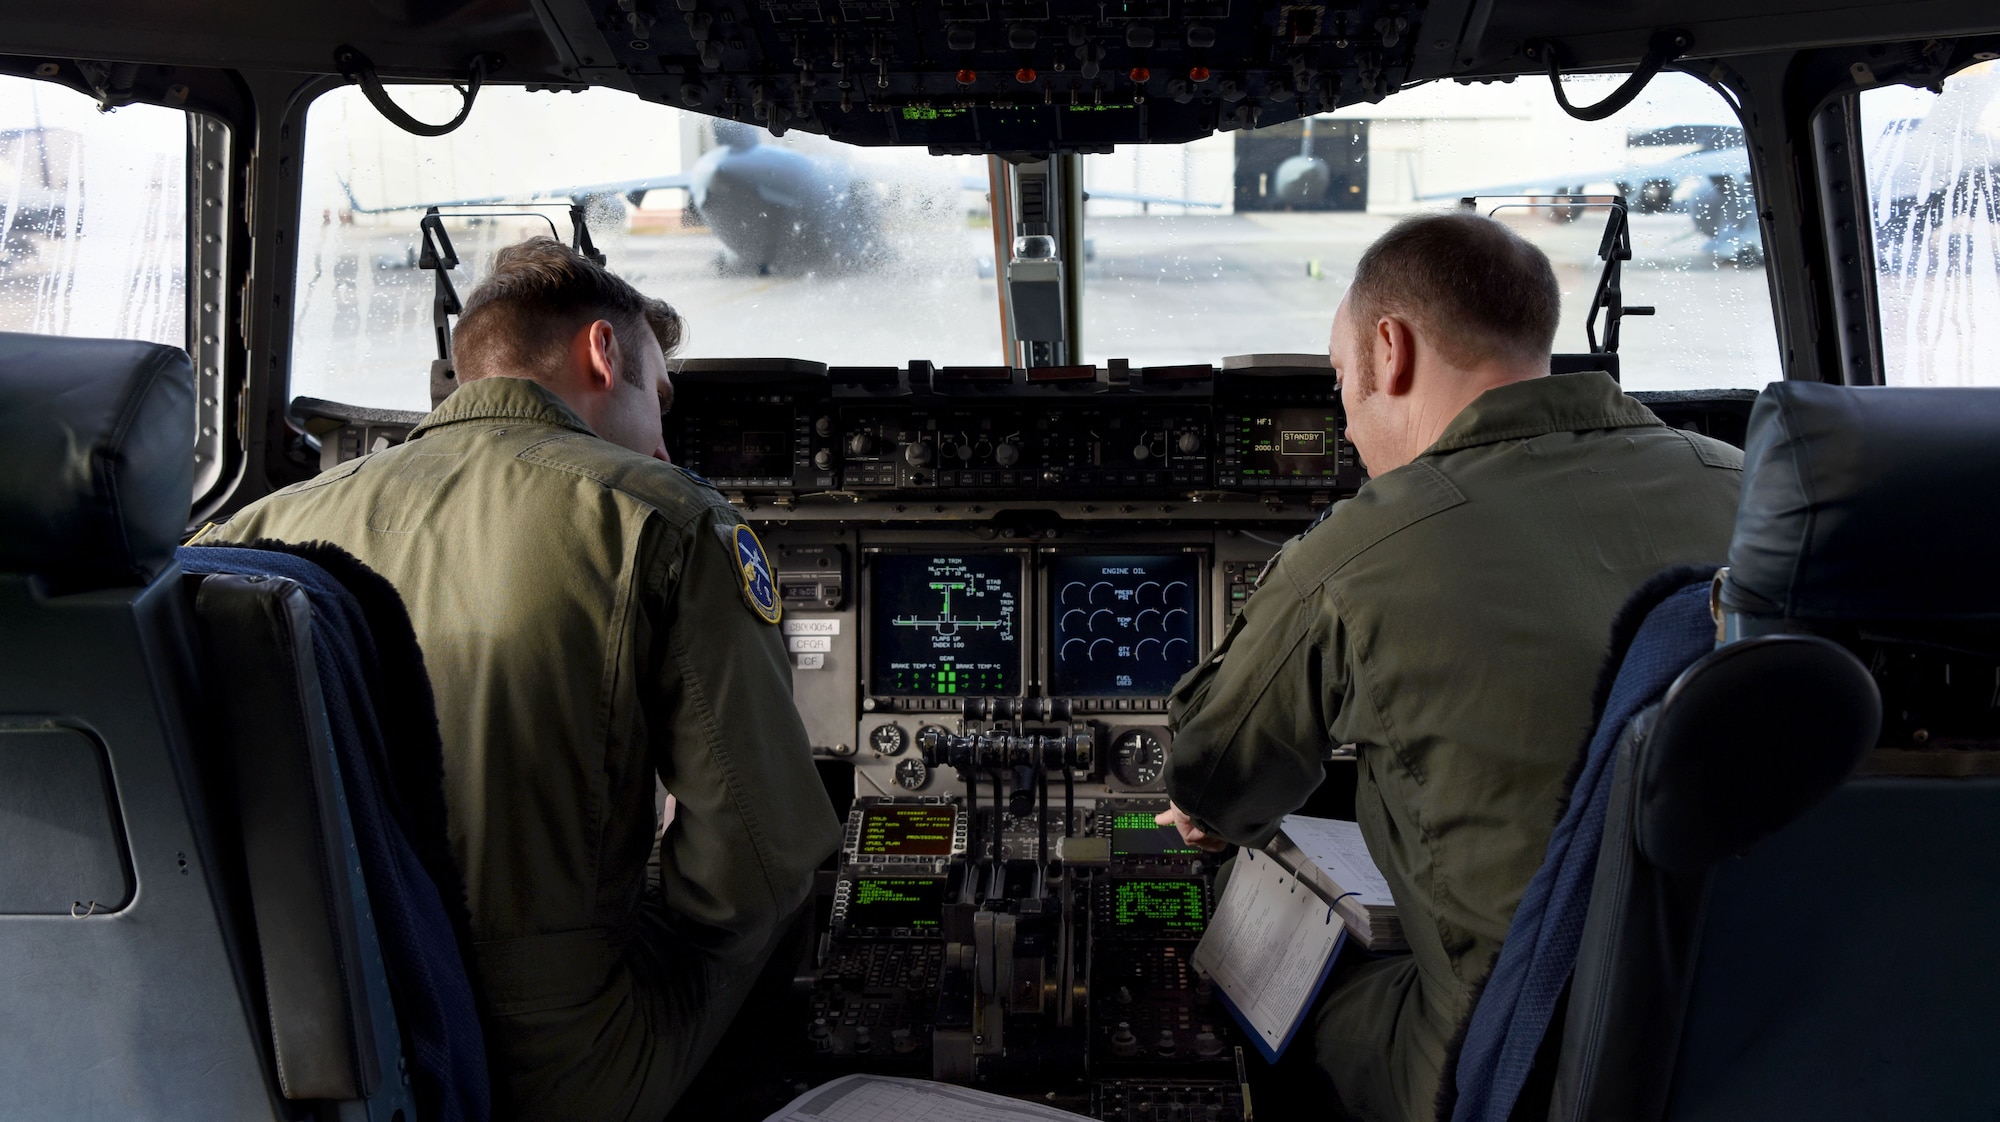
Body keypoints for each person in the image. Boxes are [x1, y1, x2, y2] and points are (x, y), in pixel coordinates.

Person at [198, 237, 841, 1120]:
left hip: (312, 1032)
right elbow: (760, 858)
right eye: (660, 403)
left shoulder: (253, 527)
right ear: (602, 354)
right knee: (788, 913)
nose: (660, 440)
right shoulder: (666, 517)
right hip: (555, 1052)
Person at [1155, 212, 1744, 1121]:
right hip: (1761, 1006)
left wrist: (1213, 817)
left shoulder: (1360, 549)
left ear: (1389, 351)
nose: (1347, 425)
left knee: (1261, 988)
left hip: (1511, 1058)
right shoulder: (1755, 491)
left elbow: (1214, 773)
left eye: (1341, 381)